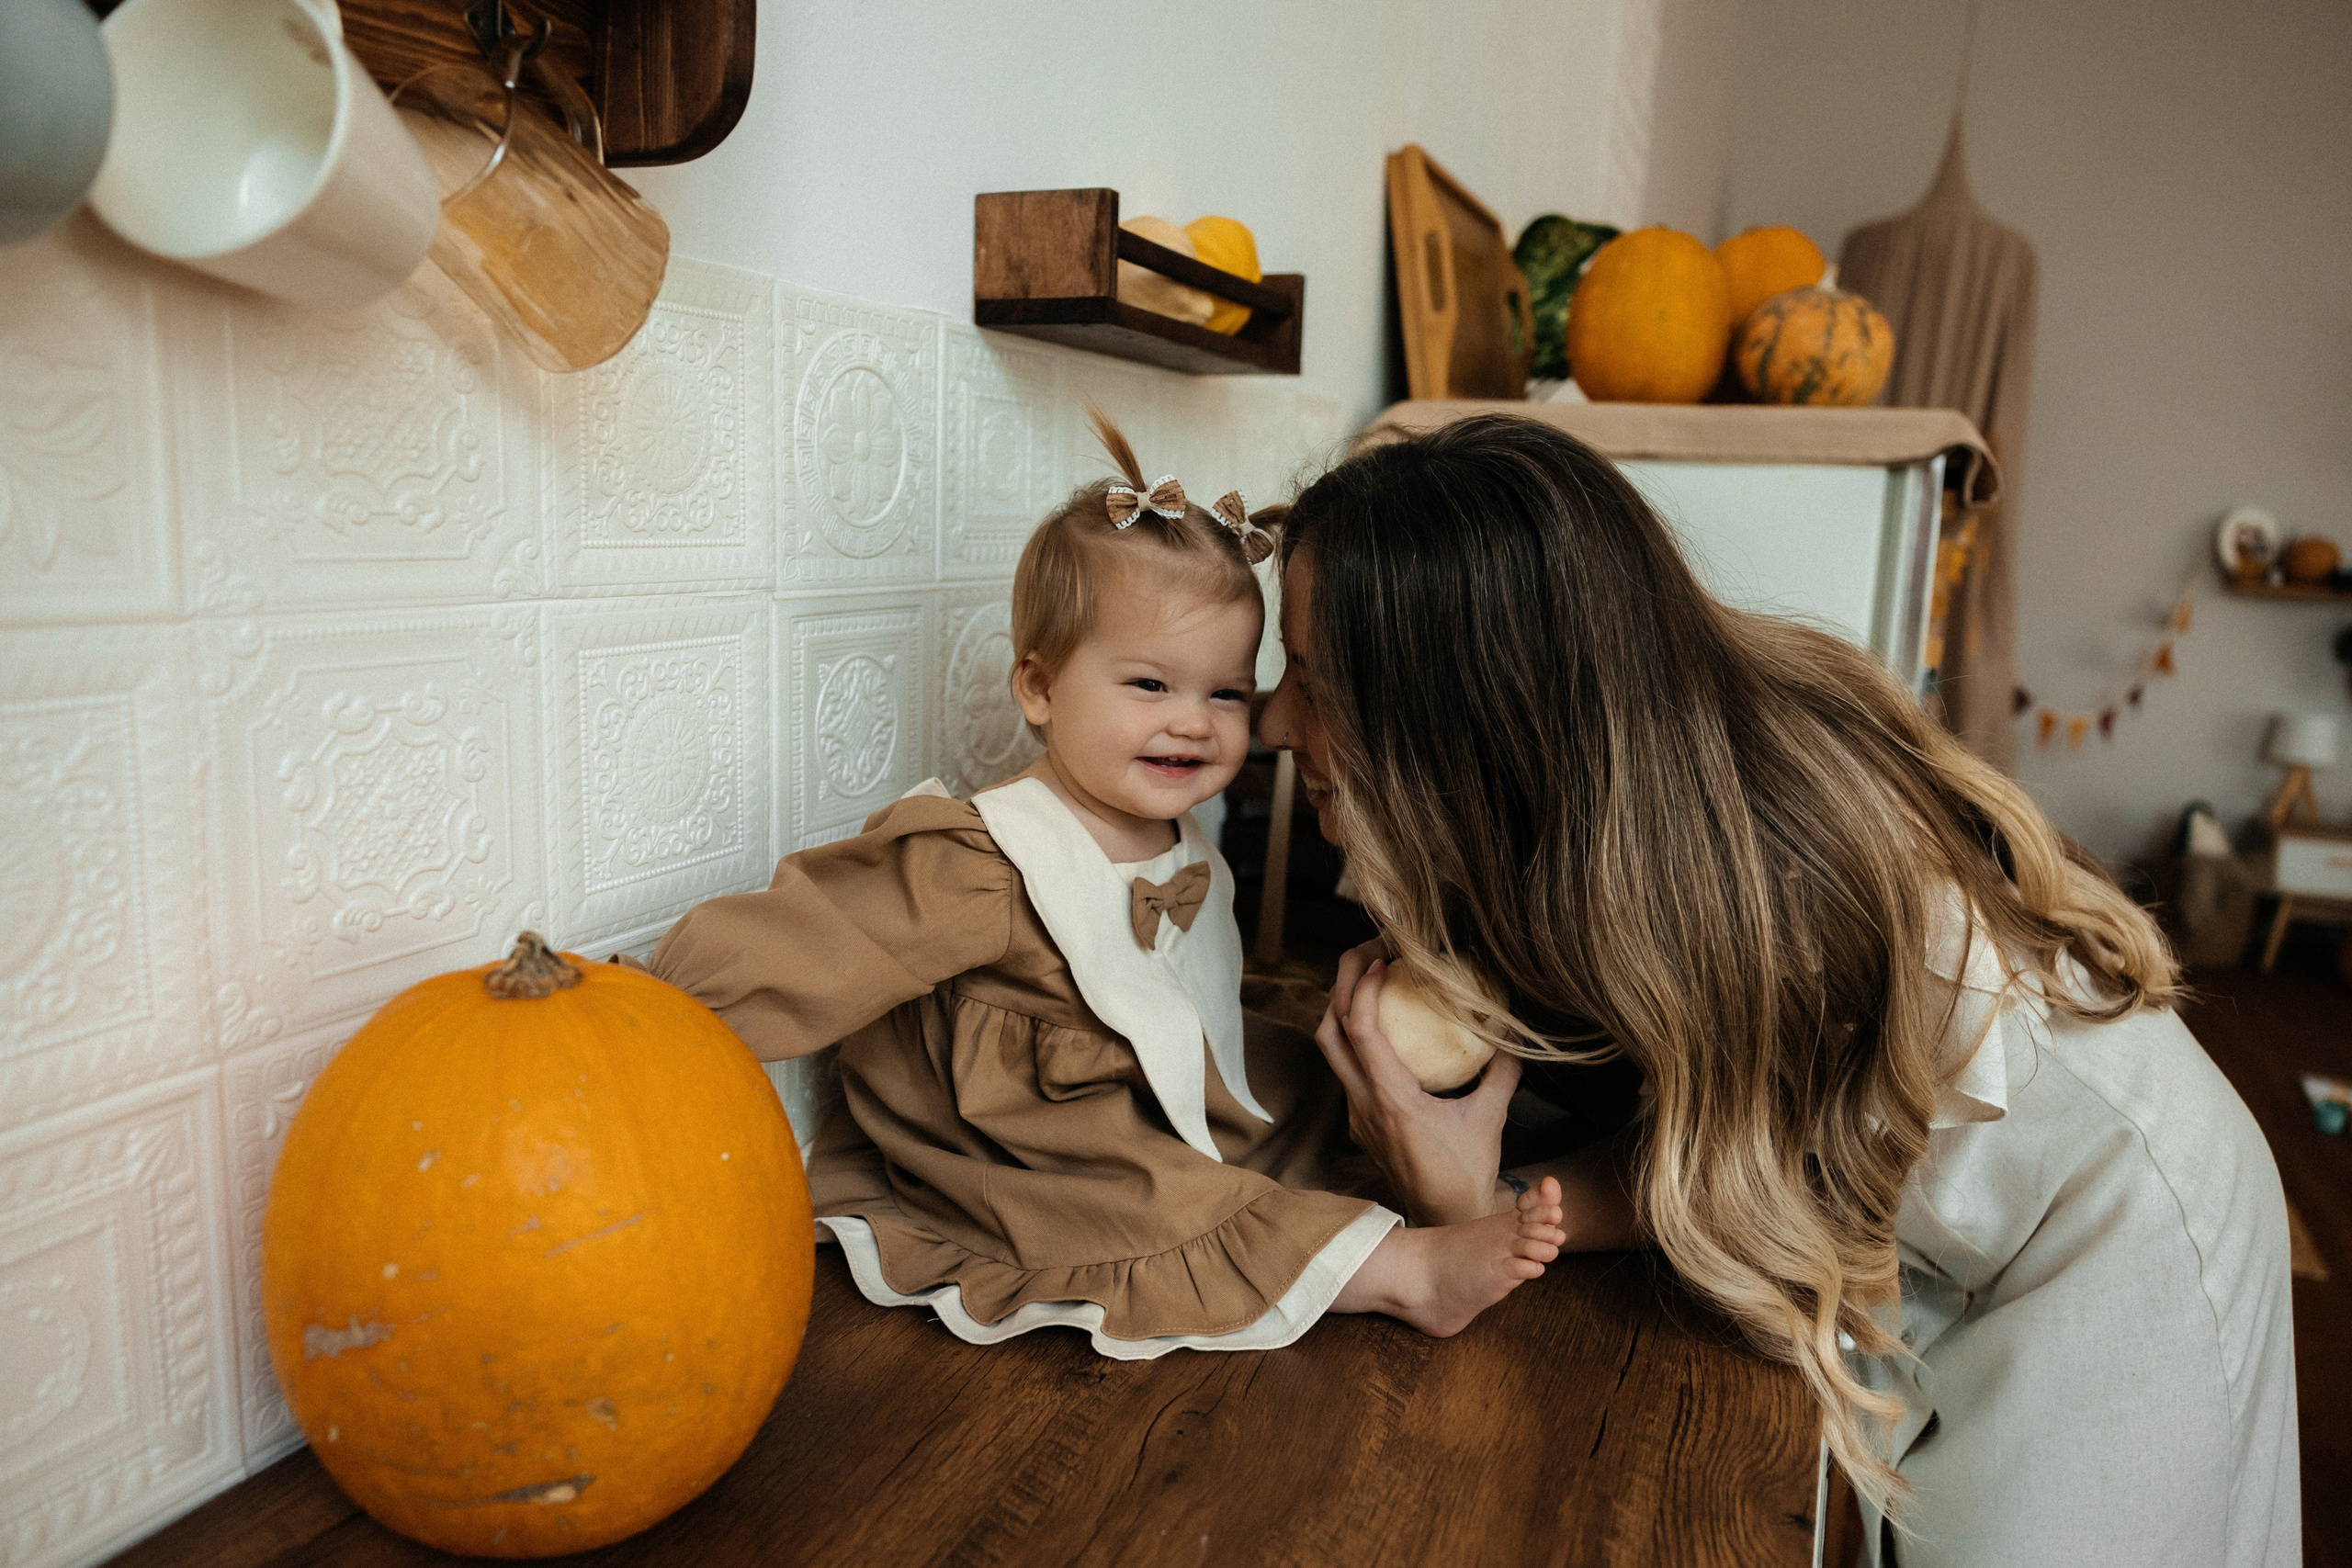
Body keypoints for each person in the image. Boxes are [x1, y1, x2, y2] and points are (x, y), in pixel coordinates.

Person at [1261, 414, 2298, 1565]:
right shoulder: (1602, 819)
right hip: (1932, 1230)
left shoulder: (1755, 886)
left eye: (1309, 681)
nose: (1268, 721)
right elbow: (1722, 1140)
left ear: (1452, 719)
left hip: (2114, 1226)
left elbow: (1757, 1164)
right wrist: (1499, 1204)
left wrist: (1471, 1202)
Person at [641, 413, 1565, 1359]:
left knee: (1302, 1083)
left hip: (1145, 1092)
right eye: (1150, 686)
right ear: (1040, 689)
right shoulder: (985, 860)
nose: (1194, 723)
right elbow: (806, 944)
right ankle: (1404, 1275)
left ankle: (1416, 1174)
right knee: (1164, 1207)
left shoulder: (1179, 835)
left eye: (1225, 692)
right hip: (1037, 1153)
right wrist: (645, 1021)